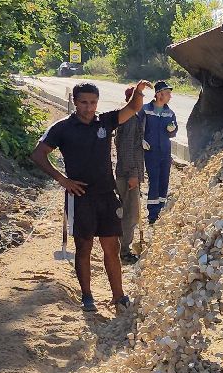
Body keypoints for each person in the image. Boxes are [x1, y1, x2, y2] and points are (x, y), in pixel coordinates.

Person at [33, 81, 147, 312]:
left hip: (107, 195)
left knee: (111, 246)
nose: (89, 107)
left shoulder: (105, 121)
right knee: (84, 247)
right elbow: (38, 154)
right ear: (75, 102)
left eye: (93, 102)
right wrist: (63, 180)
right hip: (80, 197)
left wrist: (138, 91)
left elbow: (133, 108)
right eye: (84, 102)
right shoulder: (62, 128)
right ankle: (87, 296)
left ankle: (118, 296)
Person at [114, 81, 150, 264]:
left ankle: (121, 248)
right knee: (130, 214)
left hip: (126, 172)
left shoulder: (128, 118)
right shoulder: (130, 120)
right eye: (140, 97)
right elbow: (127, 149)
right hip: (127, 174)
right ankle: (124, 252)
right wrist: (133, 174)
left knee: (128, 212)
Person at [142, 82, 179, 223]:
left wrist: (172, 130)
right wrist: (141, 140)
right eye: (167, 93)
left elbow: (173, 133)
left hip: (165, 152)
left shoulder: (170, 113)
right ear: (159, 94)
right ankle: (153, 214)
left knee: (164, 180)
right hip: (151, 152)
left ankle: (161, 210)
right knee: (154, 180)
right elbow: (138, 128)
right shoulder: (145, 110)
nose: (170, 96)